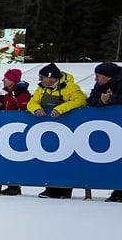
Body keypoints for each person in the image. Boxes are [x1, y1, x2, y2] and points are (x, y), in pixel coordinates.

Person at [28, 62, 88, 199]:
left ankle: (65, 189)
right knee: (50, 158)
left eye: (42, 77)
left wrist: (60, 109)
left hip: (69, 128)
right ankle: (51, 188)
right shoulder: (42, 88)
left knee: (67, 160)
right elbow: (32, 102)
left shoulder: (71, 87)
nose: (40, 80)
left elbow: (81, 101)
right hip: (49, 129)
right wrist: (36, 109)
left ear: (52, 77)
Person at [85, 62, 122, 202]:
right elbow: (91, 101)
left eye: (98, 76)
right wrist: (102, 101)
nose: (95, 79)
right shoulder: (100, 84)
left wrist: (111, 99)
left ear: (108, 76)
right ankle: (118, 189)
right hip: (115, 127)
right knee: (118, 158)